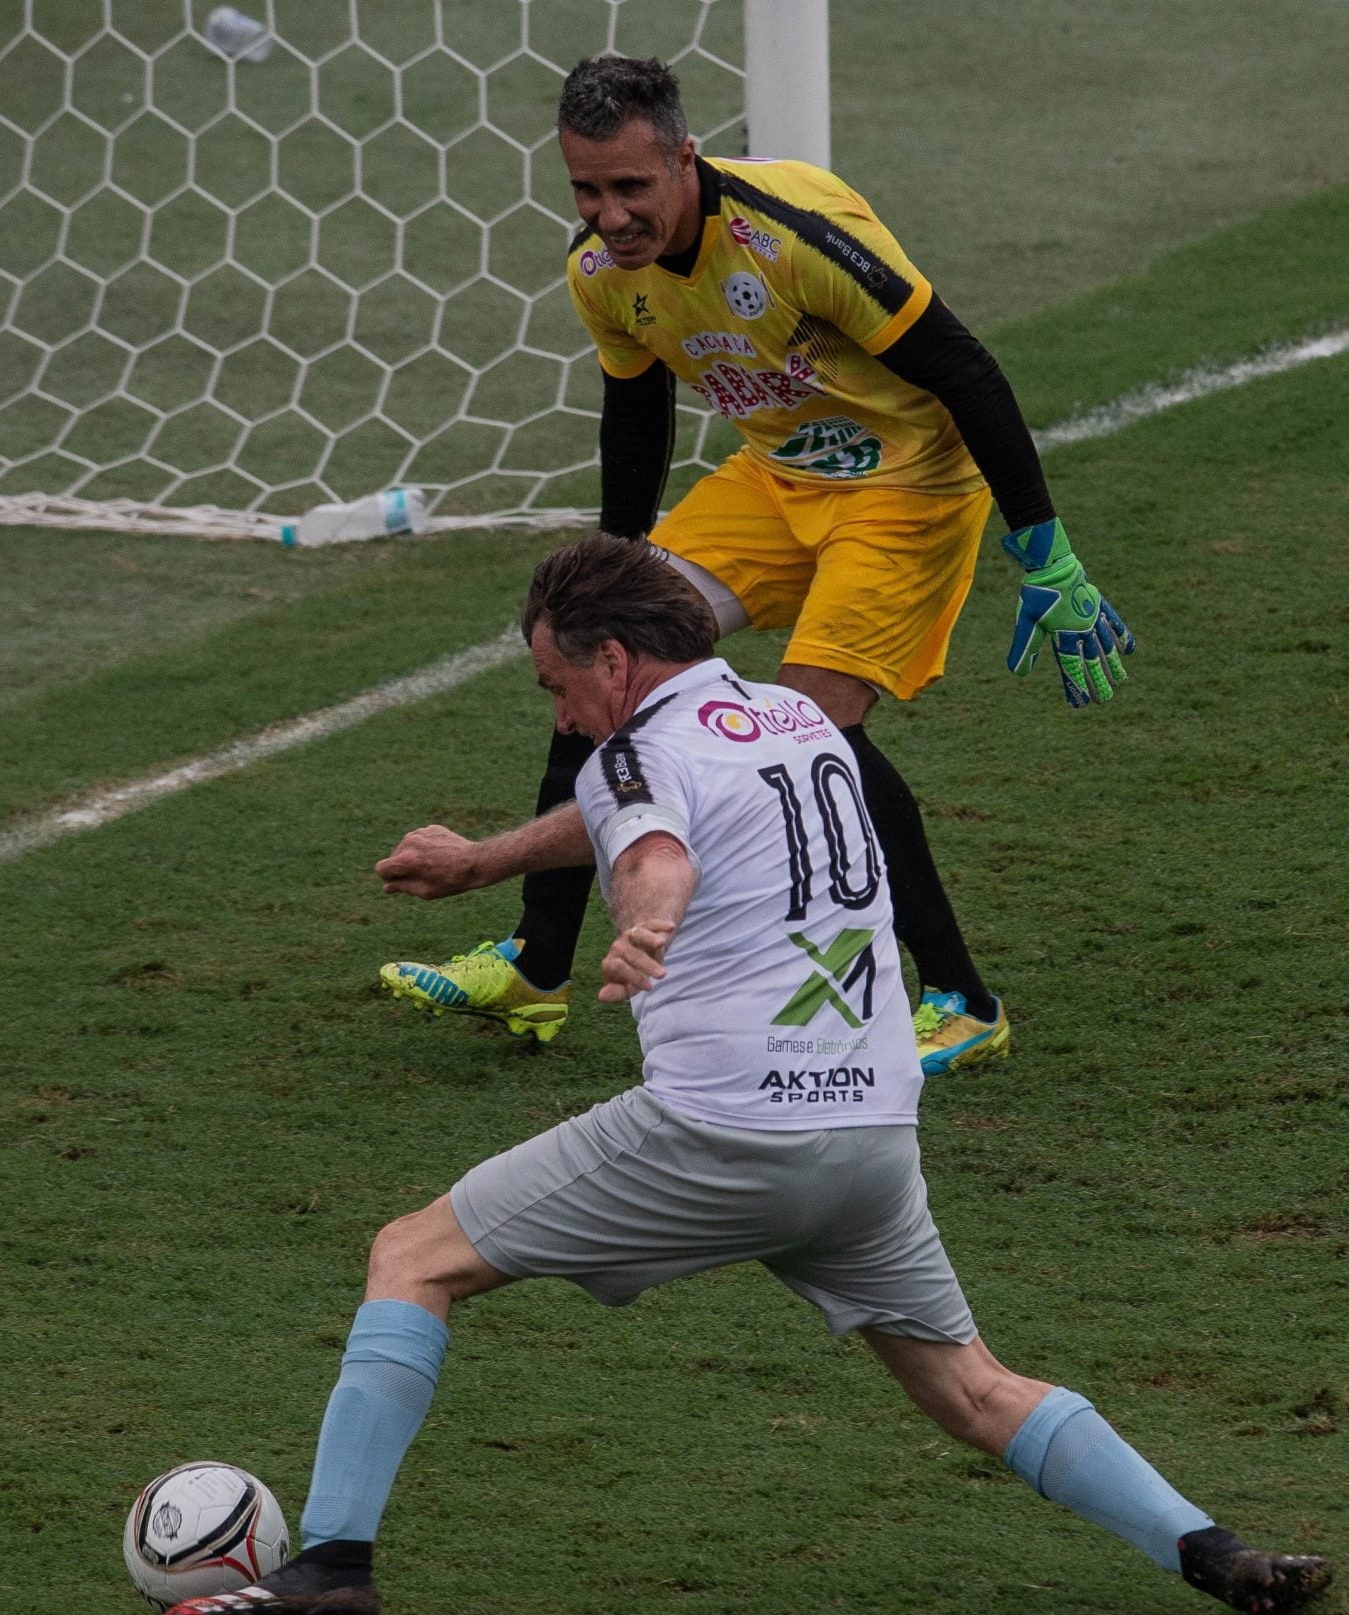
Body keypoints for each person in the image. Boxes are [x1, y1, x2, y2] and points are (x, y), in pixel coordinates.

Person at [159, 538, 1325, 1615]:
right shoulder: (794, 718)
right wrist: (483, 862)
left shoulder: (630, 759)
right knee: (971, 1387)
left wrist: (646, 924)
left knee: (413, 1257)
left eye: (557, 685)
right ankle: (1212, 1550)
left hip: (726, 1134)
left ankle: (334, 1560)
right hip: (869, 1140)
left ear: (614, 659)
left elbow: (650, 848)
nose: (560, 716)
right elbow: (642, 814)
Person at [377, 54, 1132, 1077]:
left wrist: (1045, 550)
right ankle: (537, 965)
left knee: (814, 730)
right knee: (594, 655)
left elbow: (964, 370)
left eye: (630, 187)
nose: (609, 216)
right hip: (776, 476)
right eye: (587, 190)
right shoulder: (601, 271)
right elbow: (634, 408)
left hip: (905, 484)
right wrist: (612, 570)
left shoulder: (795, 239)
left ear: (684, 160)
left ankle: (962, 997)